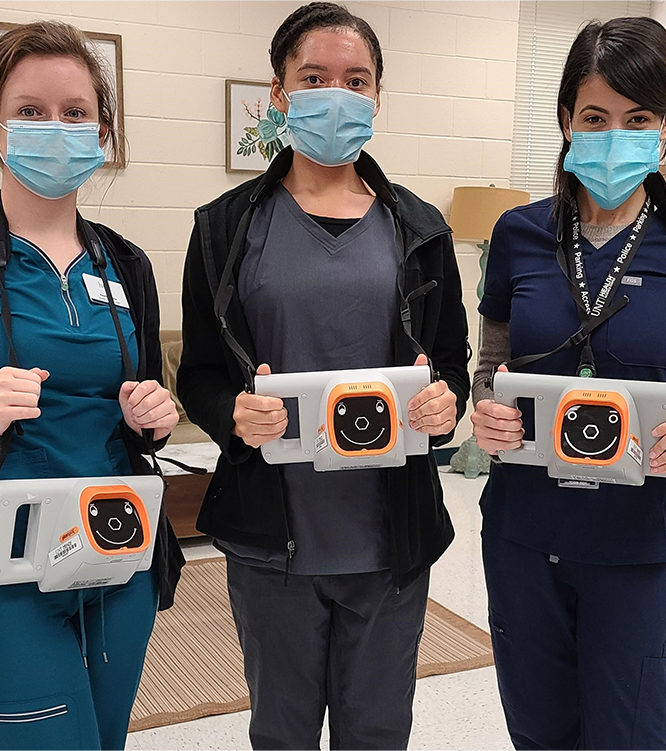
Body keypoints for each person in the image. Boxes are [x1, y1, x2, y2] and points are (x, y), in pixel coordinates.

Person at [177, 3, 470, 748]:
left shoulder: (420, 228)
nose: (336, 93)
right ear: (280, 92)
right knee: (281, 731)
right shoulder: (224, 228)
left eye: (356, 79)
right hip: (274, 538)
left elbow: (452, 364)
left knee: (376, 731)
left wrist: (444, 404)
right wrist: (232, 412)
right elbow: (203, 376)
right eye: (314, 77)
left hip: (389, 537)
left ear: (377, 97)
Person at [471, 16, 666, 751]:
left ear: (662, 127)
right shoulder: (519, 233)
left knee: (631, 732)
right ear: (565, 122)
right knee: (540, 729)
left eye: (637, 117)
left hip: (643, 544)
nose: (615, 134)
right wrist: (486, 409)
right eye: (595, 117)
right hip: (527, 533)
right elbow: (489, 366)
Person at [0, 21, 183, 751]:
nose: (56, 128)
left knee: (106, 739)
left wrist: (156, 414)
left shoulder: (126, 263)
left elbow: (147, 406)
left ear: (102, 132)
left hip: (116, 544)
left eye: (75, 113)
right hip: (10, 562)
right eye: (30, 111)